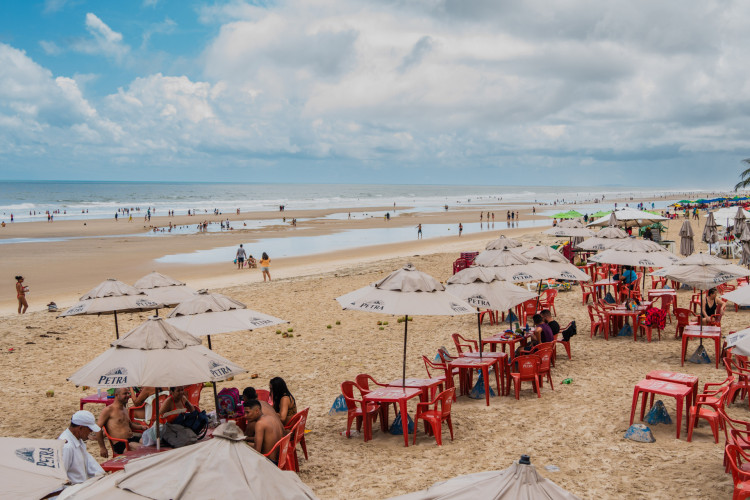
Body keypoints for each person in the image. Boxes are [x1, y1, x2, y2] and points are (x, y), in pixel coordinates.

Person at [58, 410, 105, 484]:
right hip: (72, 490)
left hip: (80, 486)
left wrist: (102, 475)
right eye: (90, 429)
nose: (91, 432)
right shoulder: (67, 446)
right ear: (81, 428)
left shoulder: (78, 441)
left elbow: (89, 462)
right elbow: (60, 476)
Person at [96, 388, 146, 457]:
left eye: (128, 393)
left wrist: (141, 427)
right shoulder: (108, 410)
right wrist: (102, 447)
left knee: (149, 442)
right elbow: (97, 428)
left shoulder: (124, 409)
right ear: (116, 395)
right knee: (143, 448)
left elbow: (130, 425)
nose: (128, 395)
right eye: (125, 393)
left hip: (132, 438)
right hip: (120, 444)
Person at [243, 399, 284, 464]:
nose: (245, 415)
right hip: (279, 459)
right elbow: (266, 439)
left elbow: (257, 452)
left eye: (248, 412)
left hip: (269, 462)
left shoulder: (260, 424)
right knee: (245, 444)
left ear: (257, 411)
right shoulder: (271, 418)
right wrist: (246, 438)